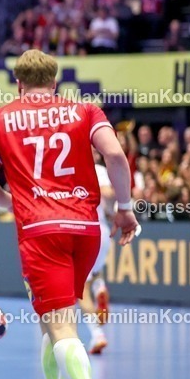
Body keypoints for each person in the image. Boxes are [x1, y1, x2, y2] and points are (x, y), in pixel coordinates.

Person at [0, 49, 140, 379]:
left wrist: (18, 203)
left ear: (19, 84)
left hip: (40, 232)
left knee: (61, 323)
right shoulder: (85, 111)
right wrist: (124, 207)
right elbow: (117, 157)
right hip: (86, 231)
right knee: (55, 318)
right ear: (56, 81)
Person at [79, 149, 113, 354]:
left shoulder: (78, 171)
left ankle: (97, 335)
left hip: (83, 233)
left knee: (81, 289)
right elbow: (109, 197)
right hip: (103, 231)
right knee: (95, 273)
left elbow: (106, 192)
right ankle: (100, 287)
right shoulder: (101, 170)